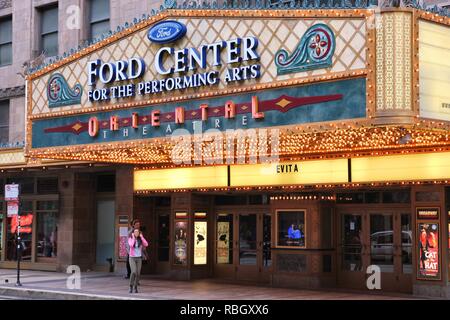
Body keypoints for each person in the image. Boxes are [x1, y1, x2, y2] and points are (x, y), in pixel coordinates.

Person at [128, 228, 148, 293]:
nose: (136, 233)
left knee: (138, 273)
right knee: (133, 271)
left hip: (139, 258)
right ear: (133, 233)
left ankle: (135, 287)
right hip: (132, 258)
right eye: (135, 232)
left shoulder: (140, 239)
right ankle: (131, 285)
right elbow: (131, 245)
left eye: (137, 232)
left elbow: (146, 244)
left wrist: (142, 237)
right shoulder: (130, 238)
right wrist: (133, 237)